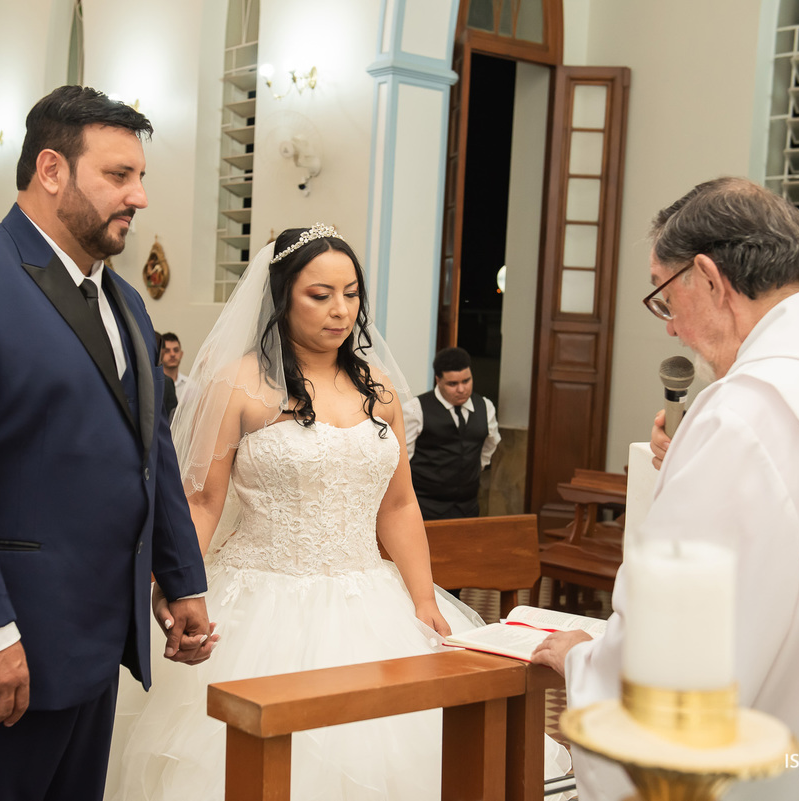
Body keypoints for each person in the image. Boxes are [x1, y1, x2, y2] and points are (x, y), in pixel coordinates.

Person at [111, 225, 571, 801]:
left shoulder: (377, 389)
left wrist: (424, 599)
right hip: (258, 600)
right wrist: (177, 586)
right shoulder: (238, 384)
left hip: (371, 601)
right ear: (282, 297)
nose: (341, 310)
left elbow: (399, 504)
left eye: (351, 293)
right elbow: (202, 501)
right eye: (320, 294)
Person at [531, 178, 799, 801]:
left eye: (665, 298)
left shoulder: (745, 413)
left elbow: (678, 662)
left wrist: (582, 661)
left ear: (710, 279)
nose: (670, 329)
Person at [0, 85, 214, 801]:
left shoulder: (126, 303)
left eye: (141, 176)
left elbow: (149, 452)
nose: (140, 196)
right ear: (51, 170)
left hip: (92, 650)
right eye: (119, 176)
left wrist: (180, 578)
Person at [403, 346, 501, 520]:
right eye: (453, 384)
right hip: (424, 507)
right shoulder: (415, 409)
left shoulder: (485, 407)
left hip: (468, 507)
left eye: (466, 381)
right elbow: (402, 459)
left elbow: (489, 446)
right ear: (438, 380)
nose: (462, 389)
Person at [159, 332, 189, 403]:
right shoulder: (155, 385)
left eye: (176, 350)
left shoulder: (191, 386)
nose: (172, 354)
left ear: (181, 354)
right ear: (160, 354)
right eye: (167, 351)